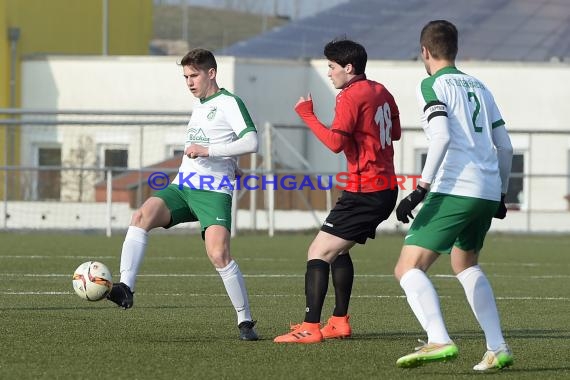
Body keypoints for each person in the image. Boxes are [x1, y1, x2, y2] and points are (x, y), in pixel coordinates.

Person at [106, 48, 259, 341]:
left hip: (213, 192)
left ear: (211, 73)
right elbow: (219, 140)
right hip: (183, 185)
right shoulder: (199, 105)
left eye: (194, 75)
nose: (189, 82)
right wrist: (227, 161)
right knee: (141, 216)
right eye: (185, 76)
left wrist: (210, 152)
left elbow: (251, 141)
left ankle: (245, 321)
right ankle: (126, 287)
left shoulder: (229, 102)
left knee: (218, 254)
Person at [393, 20, 514, 370]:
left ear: (425, 52)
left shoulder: (431, 83)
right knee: (465, 263)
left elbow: (442, 136)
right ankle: (497, 347)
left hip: (454, 188)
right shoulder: (480, 86)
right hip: (488, 189)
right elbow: (504, 146)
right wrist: (501, 193)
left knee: (408, 267)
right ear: (454, 50)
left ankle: (438, 339)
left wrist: (420, 189)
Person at [274, 39, 401, 343]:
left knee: (318, 251)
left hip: (366, 190)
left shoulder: (349, 96)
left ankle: (309, 328)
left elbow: (334, 144)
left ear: (348, 67)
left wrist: (307, 114)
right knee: (338, 250)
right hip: (383, 188)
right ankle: (339, 321)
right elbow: (394, 132)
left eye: (331, 67)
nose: (329, 73)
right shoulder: (381, 90)